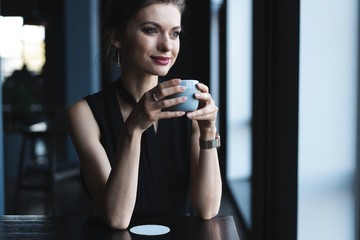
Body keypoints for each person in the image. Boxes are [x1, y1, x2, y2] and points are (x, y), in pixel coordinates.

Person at [66, 0, 222, 230]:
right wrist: (133, 128)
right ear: (117, 37)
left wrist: (208, 131)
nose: (167, 46)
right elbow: (116, 218)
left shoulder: (189, 105)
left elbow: (207, 208)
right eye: (151, 30)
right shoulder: (84, 113)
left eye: (175, 33)